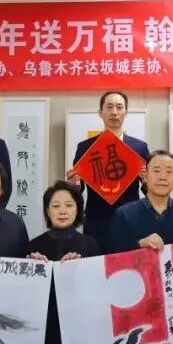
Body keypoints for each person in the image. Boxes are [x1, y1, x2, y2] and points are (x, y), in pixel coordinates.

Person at [27, 181, 101, 344]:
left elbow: (98, 289)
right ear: (47, 211)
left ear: (78, 210)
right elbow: (24, 294)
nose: (62, 211)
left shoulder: (90, 245)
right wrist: (31, 269)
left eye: (69, 205)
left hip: (80, 328)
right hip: (44, 328)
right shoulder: (34, 246)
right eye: (56, 205)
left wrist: (79, 270)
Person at [66, 91, 150, 249]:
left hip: (130, 219)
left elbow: (148, 191)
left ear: (126, 112)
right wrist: (72, 185)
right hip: (97, 221)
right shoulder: (85, 147)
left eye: (119, 107)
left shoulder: (139, 147)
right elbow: (77, 190)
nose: (114, 112)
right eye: (109, 107)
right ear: (100, 112)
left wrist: (147, 182)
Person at [107, 151, 173, 282]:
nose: (163, 177)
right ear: (145, 176)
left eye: (169, 172)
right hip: (137, 290)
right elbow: (113, 259)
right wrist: (139, 244)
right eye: (156, 171)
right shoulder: (124, 214)